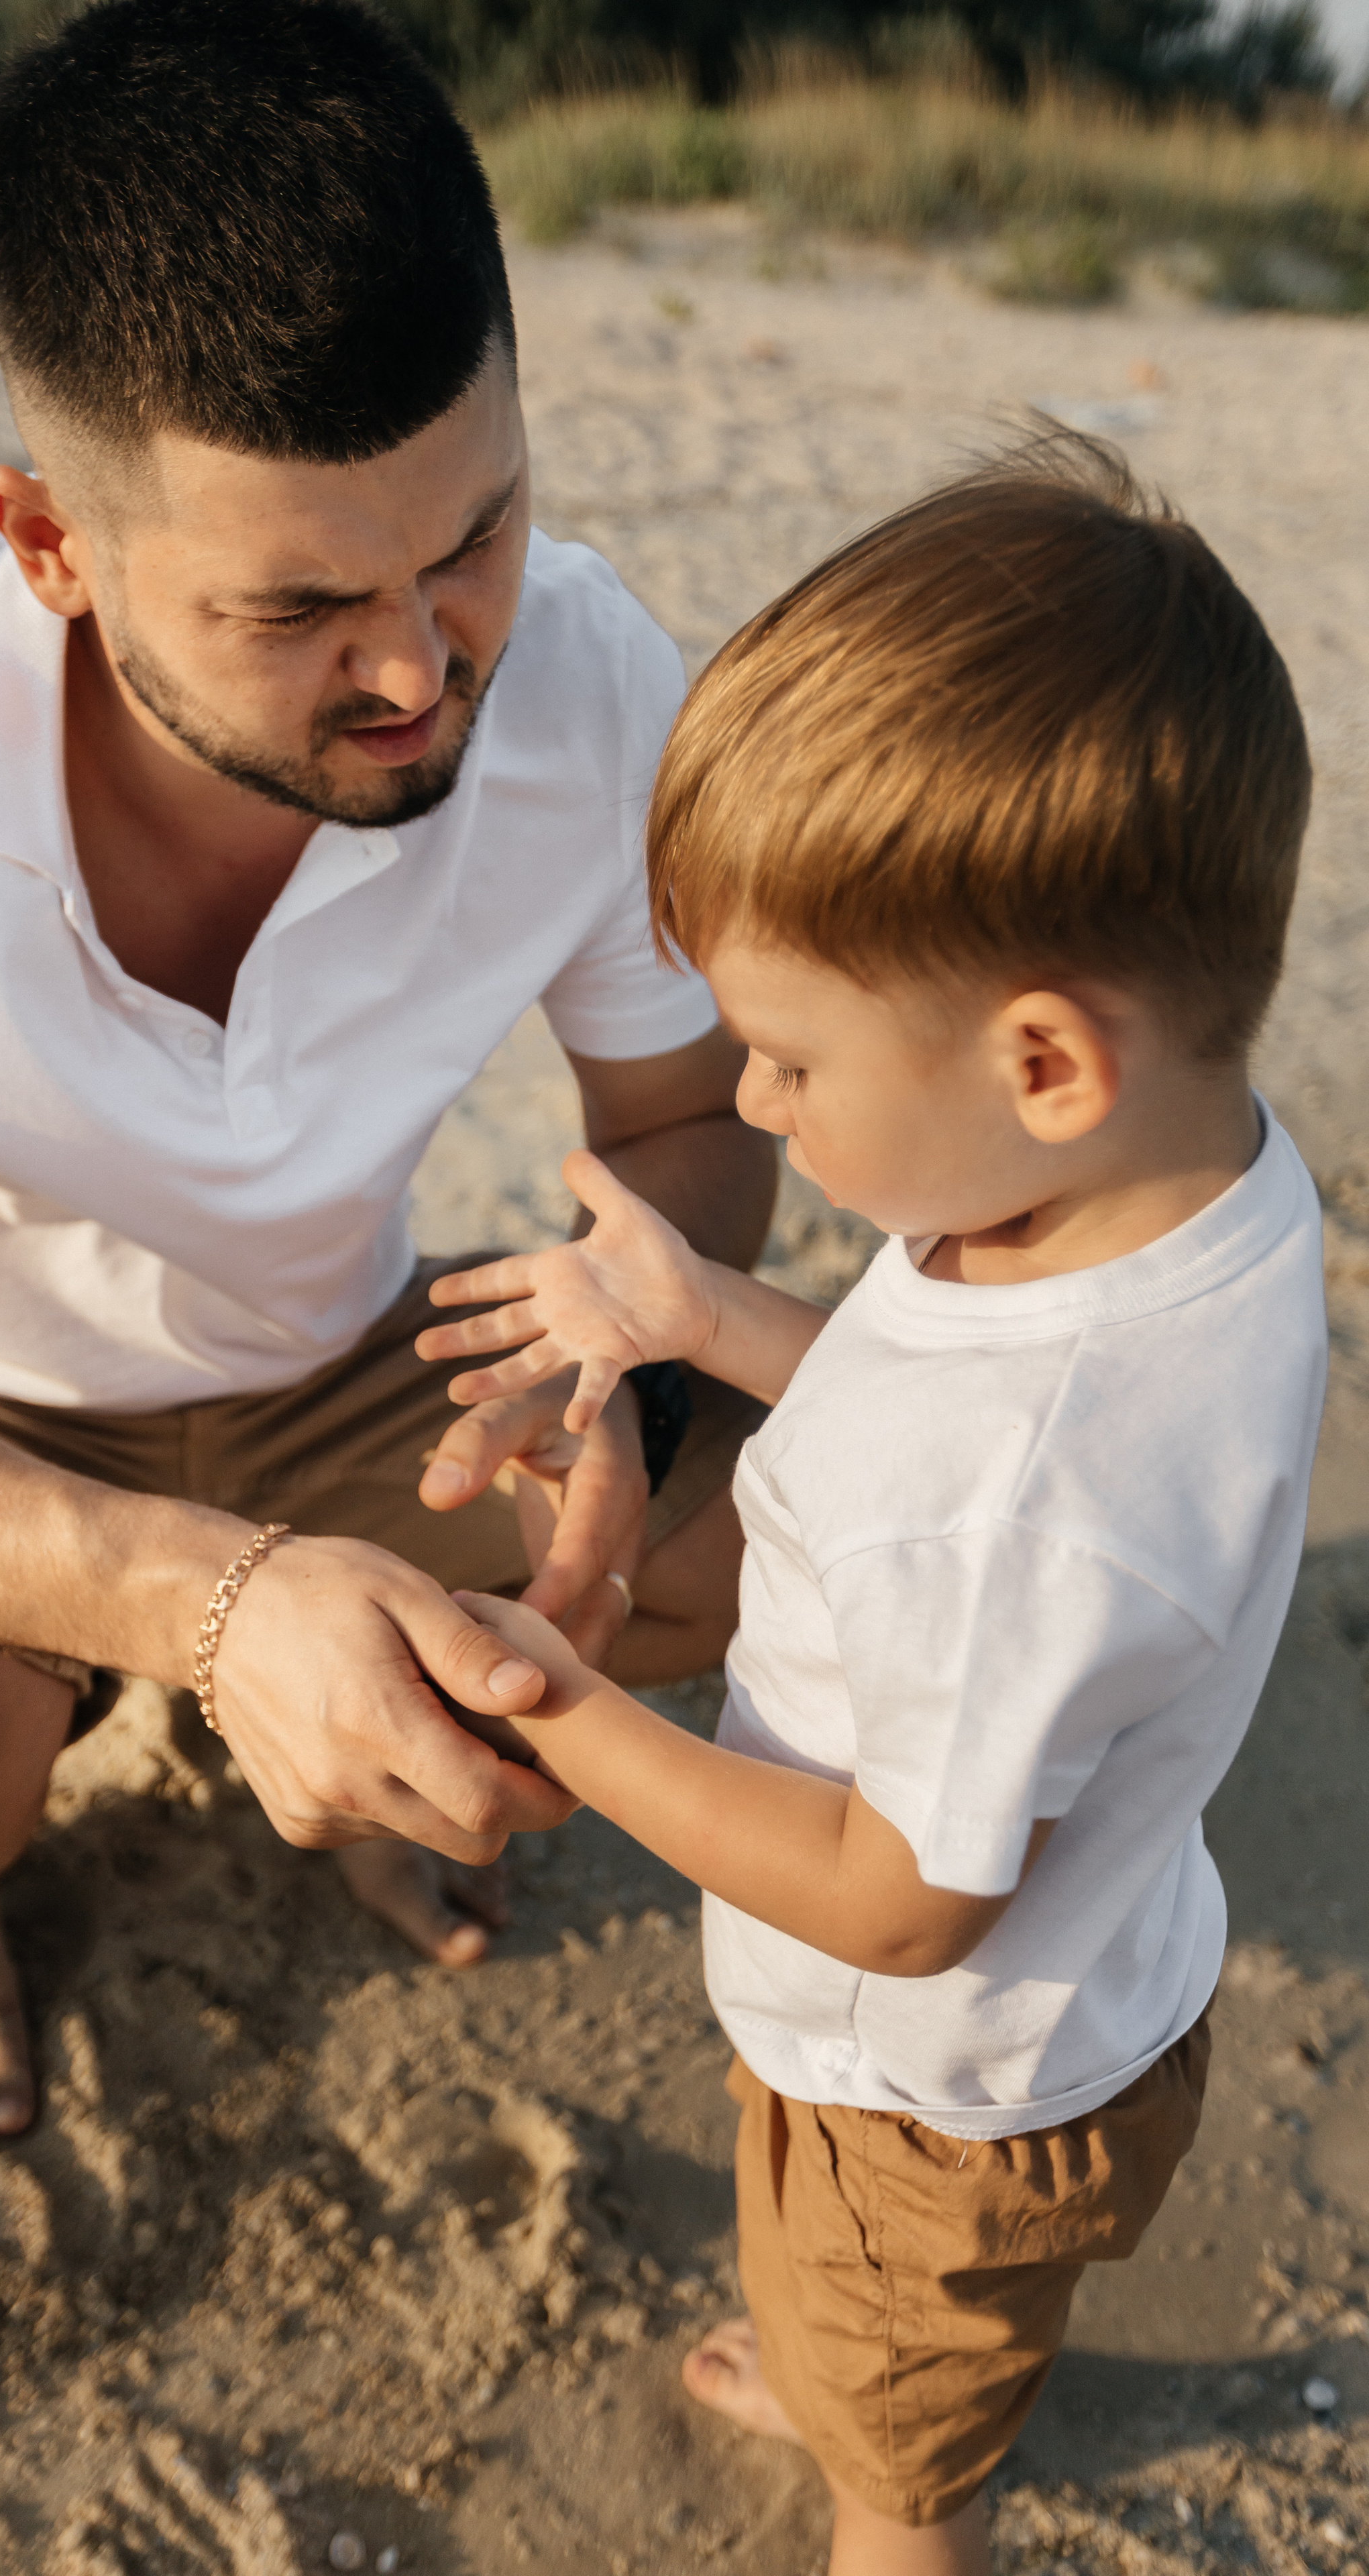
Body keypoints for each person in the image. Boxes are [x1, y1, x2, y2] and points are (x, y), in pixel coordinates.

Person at [0, 0, 773, 2140]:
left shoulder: (586, 674)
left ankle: (344, 1736)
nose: (422, 665)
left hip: (348, 1367)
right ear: (49, 549)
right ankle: (4, 1833)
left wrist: (611, 1383)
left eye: (474, 534)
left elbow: (689, 1114)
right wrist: (205, 1601)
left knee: (803, 1544)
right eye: (300, 607)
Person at [417, 435, 1325, 2575]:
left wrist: (566, 1711)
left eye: (795, 1061)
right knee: (898, 2333)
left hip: (929, 2097)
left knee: (901, 2467)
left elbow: (902, 1905)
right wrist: (715, 1316)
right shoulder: (1186, 1194)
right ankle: (882, 2370)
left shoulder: (1012, 1499)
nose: (750, 1100)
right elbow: (966, 1417)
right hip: (1091, 1992)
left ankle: (889, 2457)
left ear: (1044, 1064)